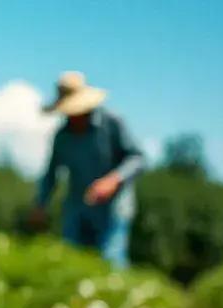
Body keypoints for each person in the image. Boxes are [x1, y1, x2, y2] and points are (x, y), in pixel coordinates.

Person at [30, 71, 144, 268]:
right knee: (71, 263)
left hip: (113, 208)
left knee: (111, 261)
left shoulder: (112, 123)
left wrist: (113, 180)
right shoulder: (62, 137)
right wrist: (40, 204)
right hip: (77, 207)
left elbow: (137, 158)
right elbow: (51, 174)